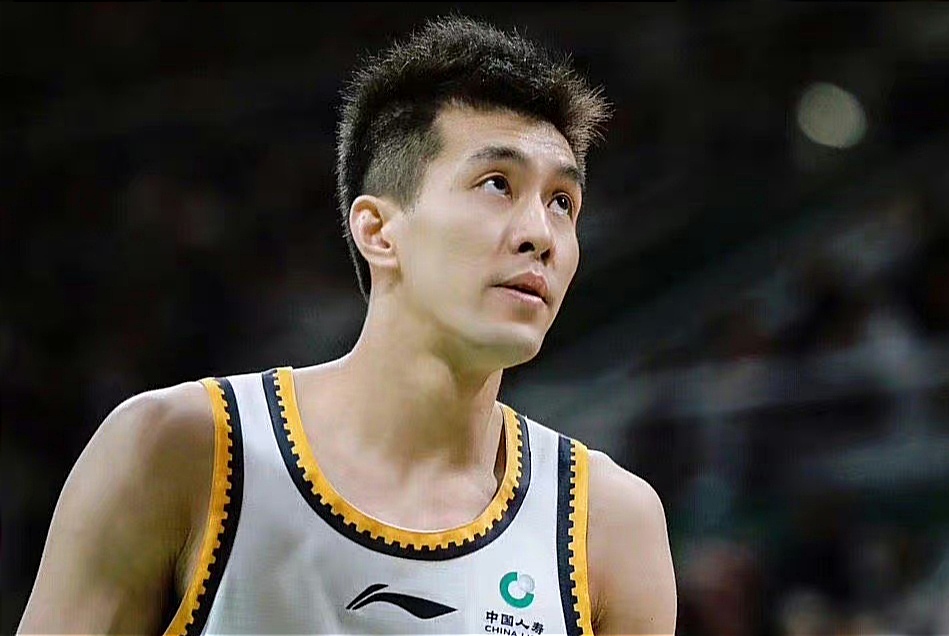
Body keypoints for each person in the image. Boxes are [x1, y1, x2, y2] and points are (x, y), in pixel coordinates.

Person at [18, 15, 677, 635]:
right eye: (497, 184)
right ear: (379, 230)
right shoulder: (181, 449)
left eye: (562, 202)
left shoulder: (610, 526)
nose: (541, 234)